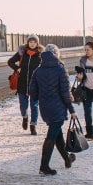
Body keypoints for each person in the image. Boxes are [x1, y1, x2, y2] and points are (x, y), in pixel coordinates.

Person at [29, 44, 77, 175]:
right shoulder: (60, 69)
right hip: (58, 108)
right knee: (51, 136)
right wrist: (72, 110)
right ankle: (44, 167)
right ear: (57, 54)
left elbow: (32, 91)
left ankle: (67, 159)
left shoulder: (38, 70)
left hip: (45, 108)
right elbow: (65, 93)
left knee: (58, 135)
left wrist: (42, 97)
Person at [7, 34, 44, 135]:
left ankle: (33, 125)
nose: (32, 44)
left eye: (34, 42)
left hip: (35, 85)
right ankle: (25, 117)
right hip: (22, 84)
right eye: (30, 42)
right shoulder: (22, 53)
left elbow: (46, 67)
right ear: (28, 43)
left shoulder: (41, 55)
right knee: (23, 106)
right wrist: (17, 68)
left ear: (37, 43)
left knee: (34, 106)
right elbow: (10, 62)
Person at [78, 41, 93, 140]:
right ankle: (90, 134)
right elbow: (80, 77)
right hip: (87, 89)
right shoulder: (83, 60)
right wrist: (79, 77)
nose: (86, 51)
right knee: (87, 112)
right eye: (85, 50)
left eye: (88, 49)